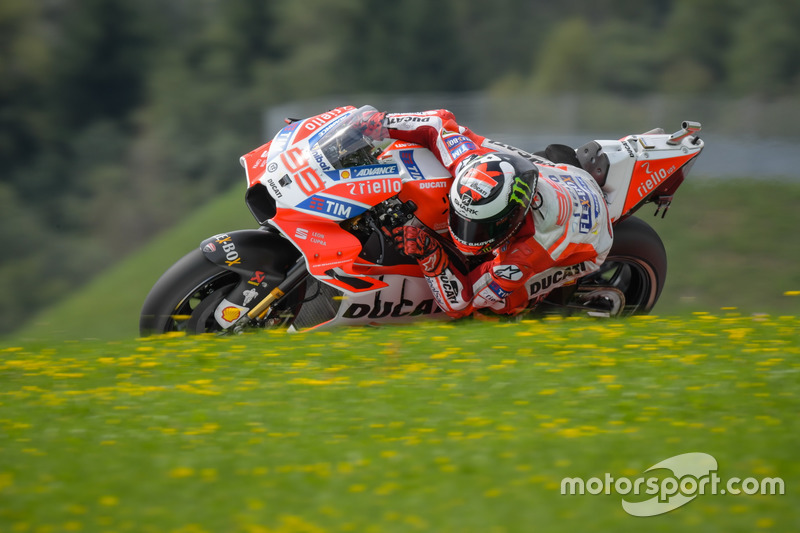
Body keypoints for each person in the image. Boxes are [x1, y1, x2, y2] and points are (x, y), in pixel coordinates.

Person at [359, 108, 614, 319]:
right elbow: (437, 124)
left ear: (511, 220)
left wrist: (430, 255)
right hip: (563, 178)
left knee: (495, 309)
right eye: (463, 220)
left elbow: (463, 302)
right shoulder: (471, 162)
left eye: (481, 226)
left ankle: (540, 306)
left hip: (591, 242)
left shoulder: (526, 253)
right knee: (464, 140)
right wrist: (381, 124)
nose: (466, 233)